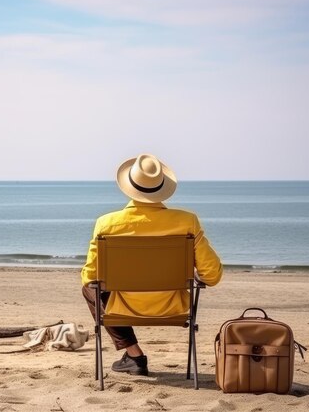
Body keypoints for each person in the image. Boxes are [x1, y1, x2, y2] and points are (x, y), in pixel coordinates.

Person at [81, 153, 223, 376]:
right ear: (162, 187)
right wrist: (195, 276)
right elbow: (212, 276)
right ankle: (135, 357)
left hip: (122, 308)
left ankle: (134, 355)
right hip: (172, 308)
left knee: (89, 289)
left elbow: (90, 276)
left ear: (129, 186)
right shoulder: (188, 221)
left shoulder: (106, 224)